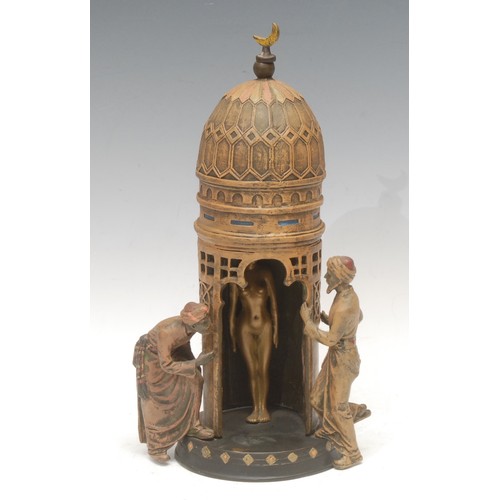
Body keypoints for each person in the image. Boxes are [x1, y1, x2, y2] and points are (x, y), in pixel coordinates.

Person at [300, 256, 370, 470]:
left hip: (344, 359)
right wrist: (329, 321)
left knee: (338, 408)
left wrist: (309, 323)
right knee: (316, 398)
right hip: (337, 356)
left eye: (329, 274)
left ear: (339, 278)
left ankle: (353, 453)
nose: (325, 277)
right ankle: (333, 427)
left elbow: (331, 340)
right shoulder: (347, 295)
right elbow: (359, 317)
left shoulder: (344, 306)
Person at [133, 302, 215, 464]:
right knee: (159, 398)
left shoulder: (191, 329)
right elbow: (166, 365)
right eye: (205, 323)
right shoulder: (167, 333)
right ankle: (156, 446)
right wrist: (195, 363)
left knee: (196, 380)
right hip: (154, 360)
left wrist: (192, 364)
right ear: (194, 324)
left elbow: (184, 344)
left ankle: (193, 425)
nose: (209, 325)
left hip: (172, 355)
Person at [229, 261, 278, 423]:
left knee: (263, 369)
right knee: (252, 369)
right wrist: (232, 336)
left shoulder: (265, 273)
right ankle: (255, 408)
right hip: (245, 327)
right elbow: (232, 311)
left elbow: (274, 305)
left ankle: (263, 407)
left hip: (265, 325)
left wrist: (276, 330)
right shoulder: (237, 275)